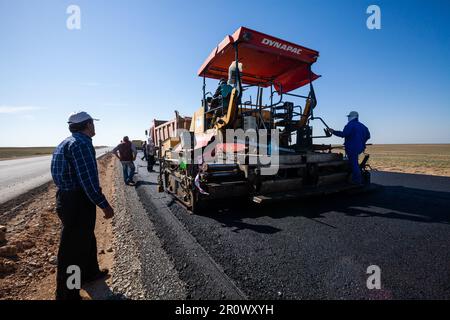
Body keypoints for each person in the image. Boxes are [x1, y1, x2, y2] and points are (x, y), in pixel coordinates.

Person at [51, 111, 114, 300]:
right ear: (87, 125)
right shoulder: (81, 145)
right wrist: (104, 205)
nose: (94, 127)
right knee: (72, 250)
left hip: (68, 198)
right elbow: (88, 181)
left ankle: (89, 273)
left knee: (85, 237)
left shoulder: (67, 142)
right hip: (76, 201)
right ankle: (67, 294)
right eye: (92, 124)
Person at [329, 111, 371, 184]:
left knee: (354, 163)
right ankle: (357, 178)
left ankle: (357, 181)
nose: (348, 118)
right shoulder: (363, 126)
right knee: (355, 162)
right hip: (360, 147)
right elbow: (368, 136)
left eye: (349, 116)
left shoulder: (350, 125)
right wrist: (362, 142)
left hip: (352, 148)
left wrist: (333, 132)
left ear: (352, 117)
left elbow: (344, 134)